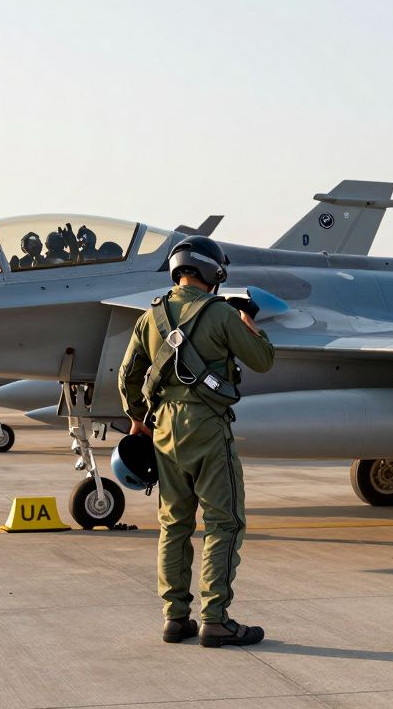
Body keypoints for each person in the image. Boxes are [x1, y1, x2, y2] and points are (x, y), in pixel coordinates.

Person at [118, 235, 274, 648]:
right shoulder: (222, 314)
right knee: (224, 523)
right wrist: (250, 327)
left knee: (174, 523)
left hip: (165, 429)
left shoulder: (150, 316)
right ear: (211, 273)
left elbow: (127, 377)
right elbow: (262, 360)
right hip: (207, 426)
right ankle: (216, 620)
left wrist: (138, 421)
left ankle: (175, 618)